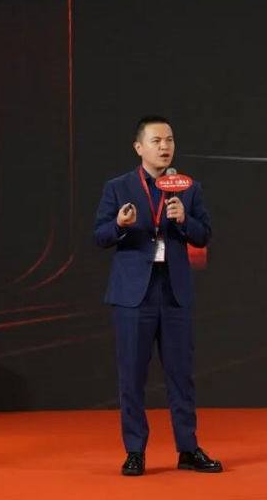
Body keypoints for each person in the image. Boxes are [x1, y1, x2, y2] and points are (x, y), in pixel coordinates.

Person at [94, 115, 222, 476]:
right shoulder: (118, 187)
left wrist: (184, 220)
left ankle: (188, 449)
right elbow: (99, 236)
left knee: (181, 375)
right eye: (156, 141)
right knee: (132, 376)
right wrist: (119, 225)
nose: (165, 147)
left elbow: (204, 235)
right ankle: (135, 451)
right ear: (139, 147)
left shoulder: (189, 188)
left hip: (175, 292)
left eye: (170, 140)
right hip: (133, 295)